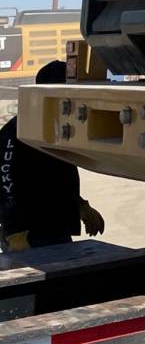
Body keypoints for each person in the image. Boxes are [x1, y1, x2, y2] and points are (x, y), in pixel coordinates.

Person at [0, 60, 104, 252]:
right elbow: (5, 179)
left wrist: (80, 205)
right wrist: (16, 230)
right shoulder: (18, 130)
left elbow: (53, 177)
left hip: (57, 229)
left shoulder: (57, 129)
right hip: (30, 236)